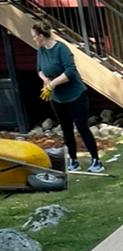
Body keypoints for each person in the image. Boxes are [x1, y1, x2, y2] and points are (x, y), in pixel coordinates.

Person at [30, 24, 104, 174]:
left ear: (41, 36)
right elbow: (39, 70)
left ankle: (96, 161)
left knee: (82, 127)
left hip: (75, 95)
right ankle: (73, 160)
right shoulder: (41, 51)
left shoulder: (61, 49)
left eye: (34, 36)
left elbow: (70, 72)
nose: (33, 39)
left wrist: (53, 84)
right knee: (66, 129)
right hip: (57, 97)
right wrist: (45, 80)